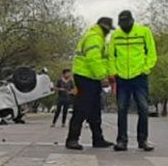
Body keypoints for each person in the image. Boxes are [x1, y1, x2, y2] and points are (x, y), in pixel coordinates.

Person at [109, 10, 157, 151]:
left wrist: (146, 69)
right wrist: (113, 72)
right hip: (122, 77)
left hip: (139, 77)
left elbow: (151, 53)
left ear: (131, 21)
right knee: (121, 109)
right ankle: (121, 141)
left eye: (126, 23)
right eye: (121, 24)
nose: (123, 26)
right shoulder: (115, 35)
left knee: (143, 108)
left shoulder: (144, 32)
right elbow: (111, 56)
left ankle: (143, 140)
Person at [66, 17, 115, 150]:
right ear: (105, 28)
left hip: (91, 77)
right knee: (81, 108)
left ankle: (98, 139)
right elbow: (93, 59)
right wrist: (102, 77)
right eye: (108, 30)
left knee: (95, 110)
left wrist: (108, 74)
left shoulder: (98, 38)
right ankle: (72, 139)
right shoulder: (94, 38)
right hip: (85, 77)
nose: (109, 33)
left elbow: (103, 60)